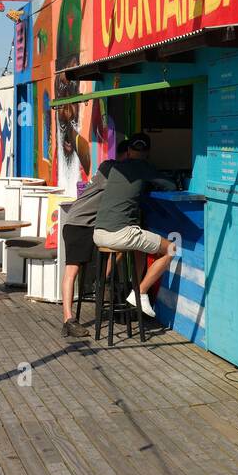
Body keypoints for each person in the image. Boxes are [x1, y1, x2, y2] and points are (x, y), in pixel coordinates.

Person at [92, 133, 176, 321]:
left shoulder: (116, 168)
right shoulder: (145, 168)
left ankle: (131, 289)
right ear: (147, 152)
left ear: (129, 151)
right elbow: (170, 185)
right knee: (171, 249)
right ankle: (140, 293)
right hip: (119, 233)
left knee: (139, 249)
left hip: (99, 233)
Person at [59, 148, 122, 338]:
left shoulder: (115, 174)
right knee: (72, 271)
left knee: (119, 248)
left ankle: (99, 281)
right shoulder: (109, 170)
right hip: (78, 225)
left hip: (93, 227)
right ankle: (68, 320)